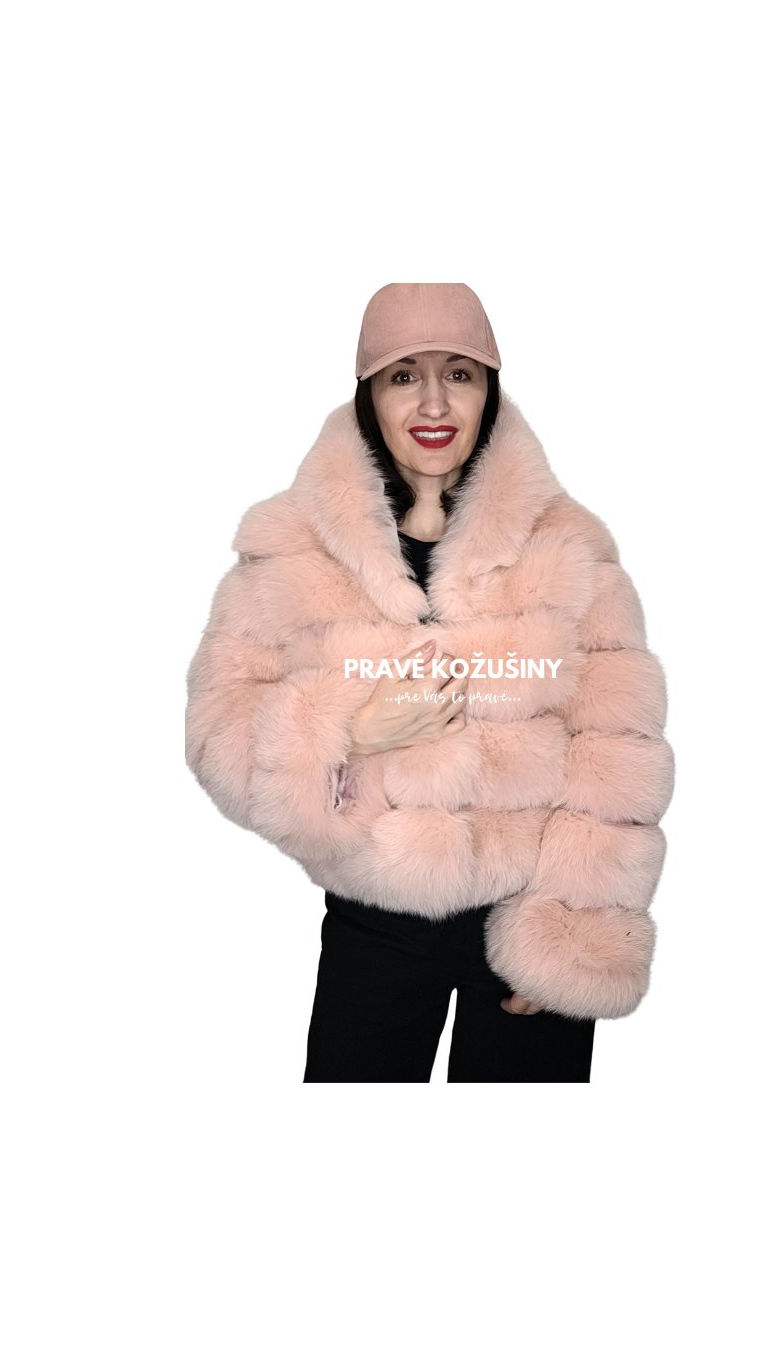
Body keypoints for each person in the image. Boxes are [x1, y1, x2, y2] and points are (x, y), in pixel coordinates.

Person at [185, 283, 674, 1083]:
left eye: (461, 373)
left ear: (490, 389)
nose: (435, 402)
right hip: (373, 922)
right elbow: (216, 732)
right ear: (369, 393)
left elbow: (616, 753)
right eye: (405, 375)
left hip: (524, 921)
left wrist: (570, 939)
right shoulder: (291, 546)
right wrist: (347, 728)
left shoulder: (568, 548)